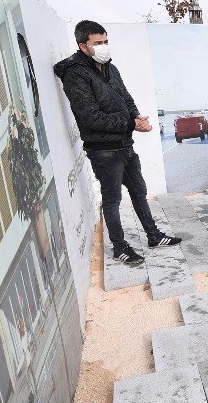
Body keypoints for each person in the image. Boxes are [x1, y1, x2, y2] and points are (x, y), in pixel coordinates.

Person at [54, 20, 181, 267]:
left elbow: (126, 98)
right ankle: (120, 248)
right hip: (103, 151)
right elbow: (90, 118)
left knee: (139, 192)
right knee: (112, 200)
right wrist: (130, 123)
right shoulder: (75, 74)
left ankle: (153, 236)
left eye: (106, 41)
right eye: (97, 43)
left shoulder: (110, 68)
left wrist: (136, 118)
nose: (104, 47)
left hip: (125, 144)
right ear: (83, 46)